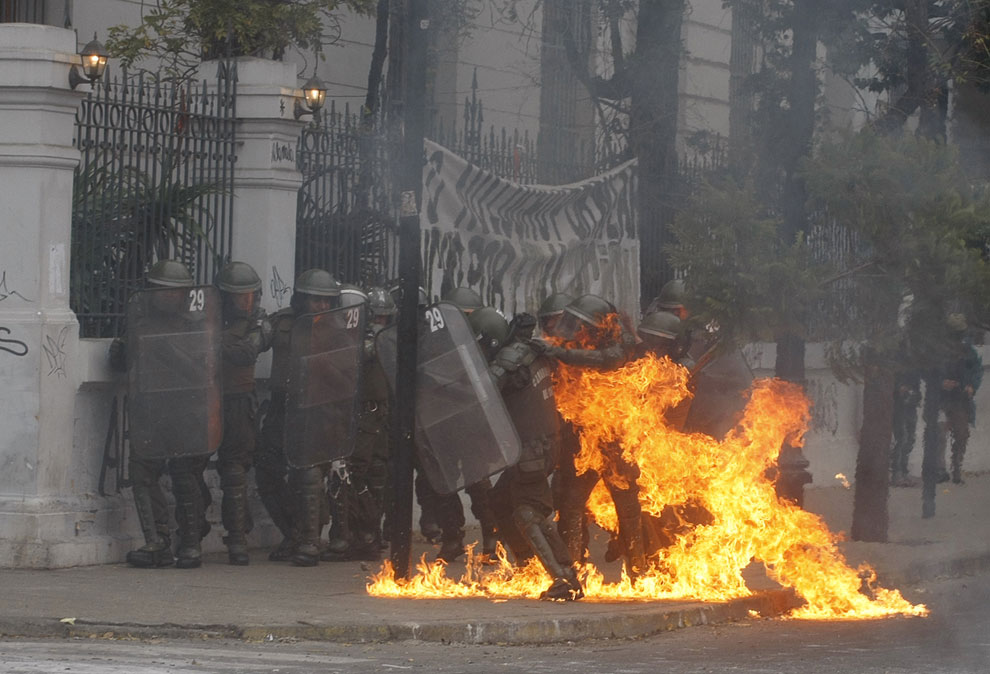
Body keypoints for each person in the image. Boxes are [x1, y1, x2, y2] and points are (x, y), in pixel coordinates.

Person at [110, 259, 218, 569]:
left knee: (185, 475)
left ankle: (191, 543)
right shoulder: (140, 322)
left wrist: (167, 351)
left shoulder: (197, 325)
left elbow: (202, 372)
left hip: (185, 410)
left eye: (174, 291)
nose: (167, 296)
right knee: (142, 473)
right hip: (150, 409)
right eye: (161, 290)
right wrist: (120, 351)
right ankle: (157, 541)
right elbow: (124, 363)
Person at [473, 307, 584, 600]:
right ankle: (529, 565)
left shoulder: (510, 359)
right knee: (499, 501)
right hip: (539, 444)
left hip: (532, 449)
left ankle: (564, 578)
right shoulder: (530, 352)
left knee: (529, 512)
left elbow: (483, 392)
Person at [540, 294, 646, 579]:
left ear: (600, 327)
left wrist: (559, 353)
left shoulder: (621, 342)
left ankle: (639, 571)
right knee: (572, 504)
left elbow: (606, 360)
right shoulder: (576, 343)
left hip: (615, 433)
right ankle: (570, 570)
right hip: (584, 433)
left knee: (628, 506)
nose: (579, 332)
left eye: (585, 327)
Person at [260, 269, 340, 561]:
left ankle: (309, 540)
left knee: (308, 475)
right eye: (316, 299)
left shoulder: (338, 328)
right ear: (301, 298)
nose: (322, 305)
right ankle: (292, 533)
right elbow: (255, 343)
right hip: (281, 408)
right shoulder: (281, 322)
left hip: (316, 409)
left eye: (327, 300)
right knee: (266, 471)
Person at [324, 286, 394, 561]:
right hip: (361, 412)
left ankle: (365, 535)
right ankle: (363, 536)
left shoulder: (379, 340)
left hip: (371, 412)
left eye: (383, 317)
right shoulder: (361, 338)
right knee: (362, 474)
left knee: (355, 473)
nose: (380, 322)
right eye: (376, 317)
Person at [215, 261, 272, 565]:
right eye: (239, 296)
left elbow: (247, 352)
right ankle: (191, 537)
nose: (246, 301)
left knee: (235, 470)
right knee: (188, 466)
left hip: (238, 401)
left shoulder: (260, 322)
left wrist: (210, 344)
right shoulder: (208, 319)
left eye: (250, 295)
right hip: (205, 398)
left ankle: (237, 540)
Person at [938, 313, 983, 484]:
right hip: (941, 399)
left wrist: (971, 386)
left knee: (962, 434)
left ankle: (957, 468)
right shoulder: (939, 351)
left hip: (961, 399)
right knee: (939, 434)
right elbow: (930, 372)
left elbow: (977, 371)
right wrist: (941, 382)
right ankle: (940, 470)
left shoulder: (969, 351)